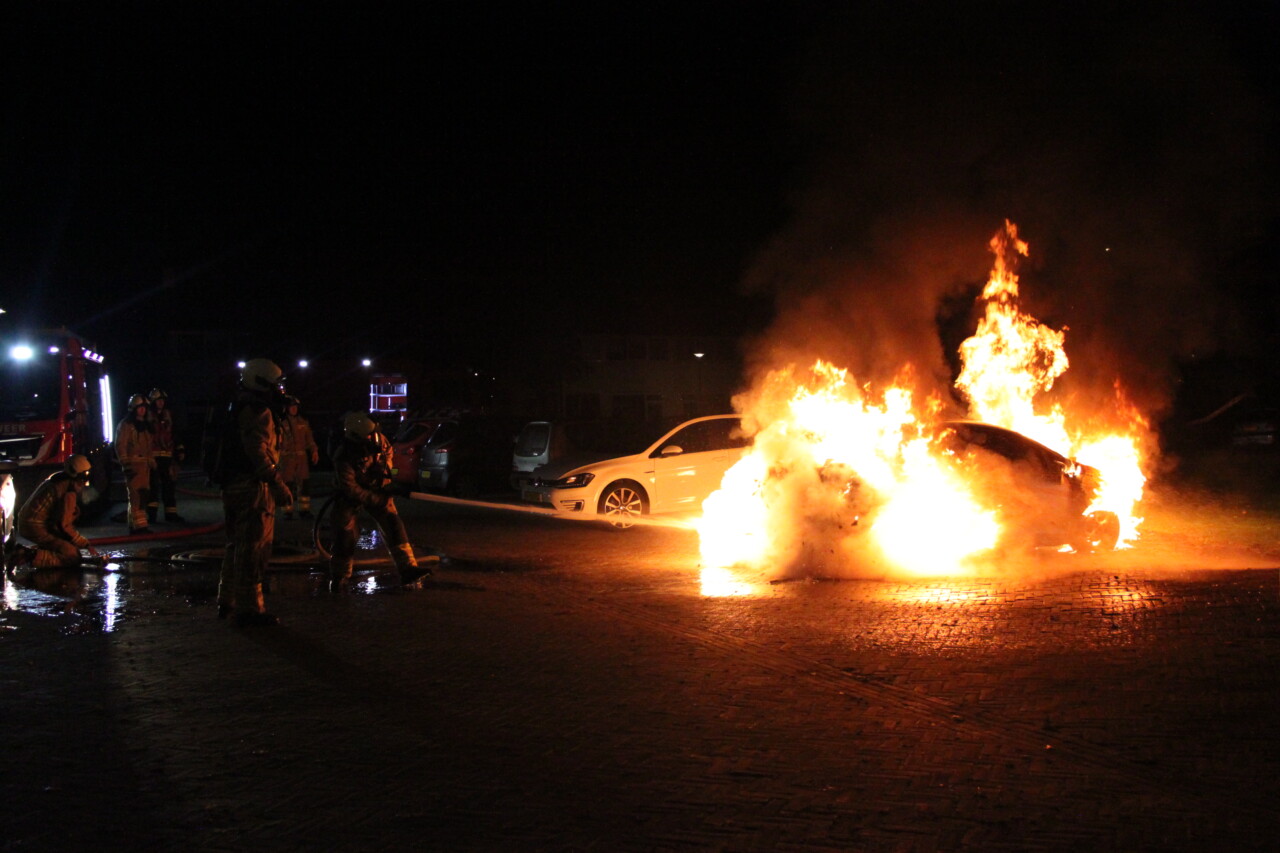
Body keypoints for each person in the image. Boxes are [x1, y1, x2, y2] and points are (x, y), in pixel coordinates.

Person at [213, 359, 292, 627]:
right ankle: (250, 610)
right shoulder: (258, 411)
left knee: (236, 545)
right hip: (252, 488)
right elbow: (258, 452)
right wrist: (278, 484)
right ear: (262, 383)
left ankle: (227, 600)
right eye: (276, 385)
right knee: (253, 549)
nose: (280, 390)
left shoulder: (238, 405)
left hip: (235, 485)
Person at [329, 411, 430, 591]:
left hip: (377, 489)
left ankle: (408, 569)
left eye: (373, 434)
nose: (372, 438)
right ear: (356, 437)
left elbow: (388, 456)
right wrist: (376, 498)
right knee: (345, 534)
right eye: (367, 436)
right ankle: (340, 576)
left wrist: (385, 482)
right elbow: (350, 488)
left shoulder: (380, 439)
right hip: (349, 496)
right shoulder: (343, 454)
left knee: (393, 523)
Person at [6, 455, 100, 570]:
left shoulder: (57, 479)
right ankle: (28, 556)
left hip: (29, 523)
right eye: (82, 479)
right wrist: (85, 544)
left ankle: (32, 553)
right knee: (73, 556)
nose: (83, 484)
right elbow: (64, 526)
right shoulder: (68, 491)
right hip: (35, 527)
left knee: (64, 545)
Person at [115, 393, 155, 534]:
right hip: (133, 467)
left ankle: (137, 524)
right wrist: (125, 464)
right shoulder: (126, 425)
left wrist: (151, 462)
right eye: (140, 407)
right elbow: (120, 445)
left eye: (144, 407)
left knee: (143, 496)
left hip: (145, 467)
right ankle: (139, 527)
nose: (143, 410)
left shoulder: (146, 426)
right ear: (133, 408)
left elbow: (149, 447)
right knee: (136, 496)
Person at [146, 388, 185, 523]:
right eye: (158, 400)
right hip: (153, 457)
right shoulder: (147, 417)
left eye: (162, 400)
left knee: (169, 485)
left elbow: (175, 433)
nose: (161, 403)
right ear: (153, 402)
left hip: (167, 457)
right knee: (153, 486)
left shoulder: (169, 415)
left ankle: (171, 514)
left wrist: (180, 450)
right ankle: (151, 515)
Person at [277, 395, 319, 519]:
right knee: (287, 486)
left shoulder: (303, 422)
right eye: (291, 407)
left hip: (301, 460)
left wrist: (314, 451)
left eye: (295, 407)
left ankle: (304, 510)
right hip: (287, 460)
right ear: (286, 408)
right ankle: (287, 511)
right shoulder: (281, 424)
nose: (294, 409)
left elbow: (309, 439)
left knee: (304, 485)